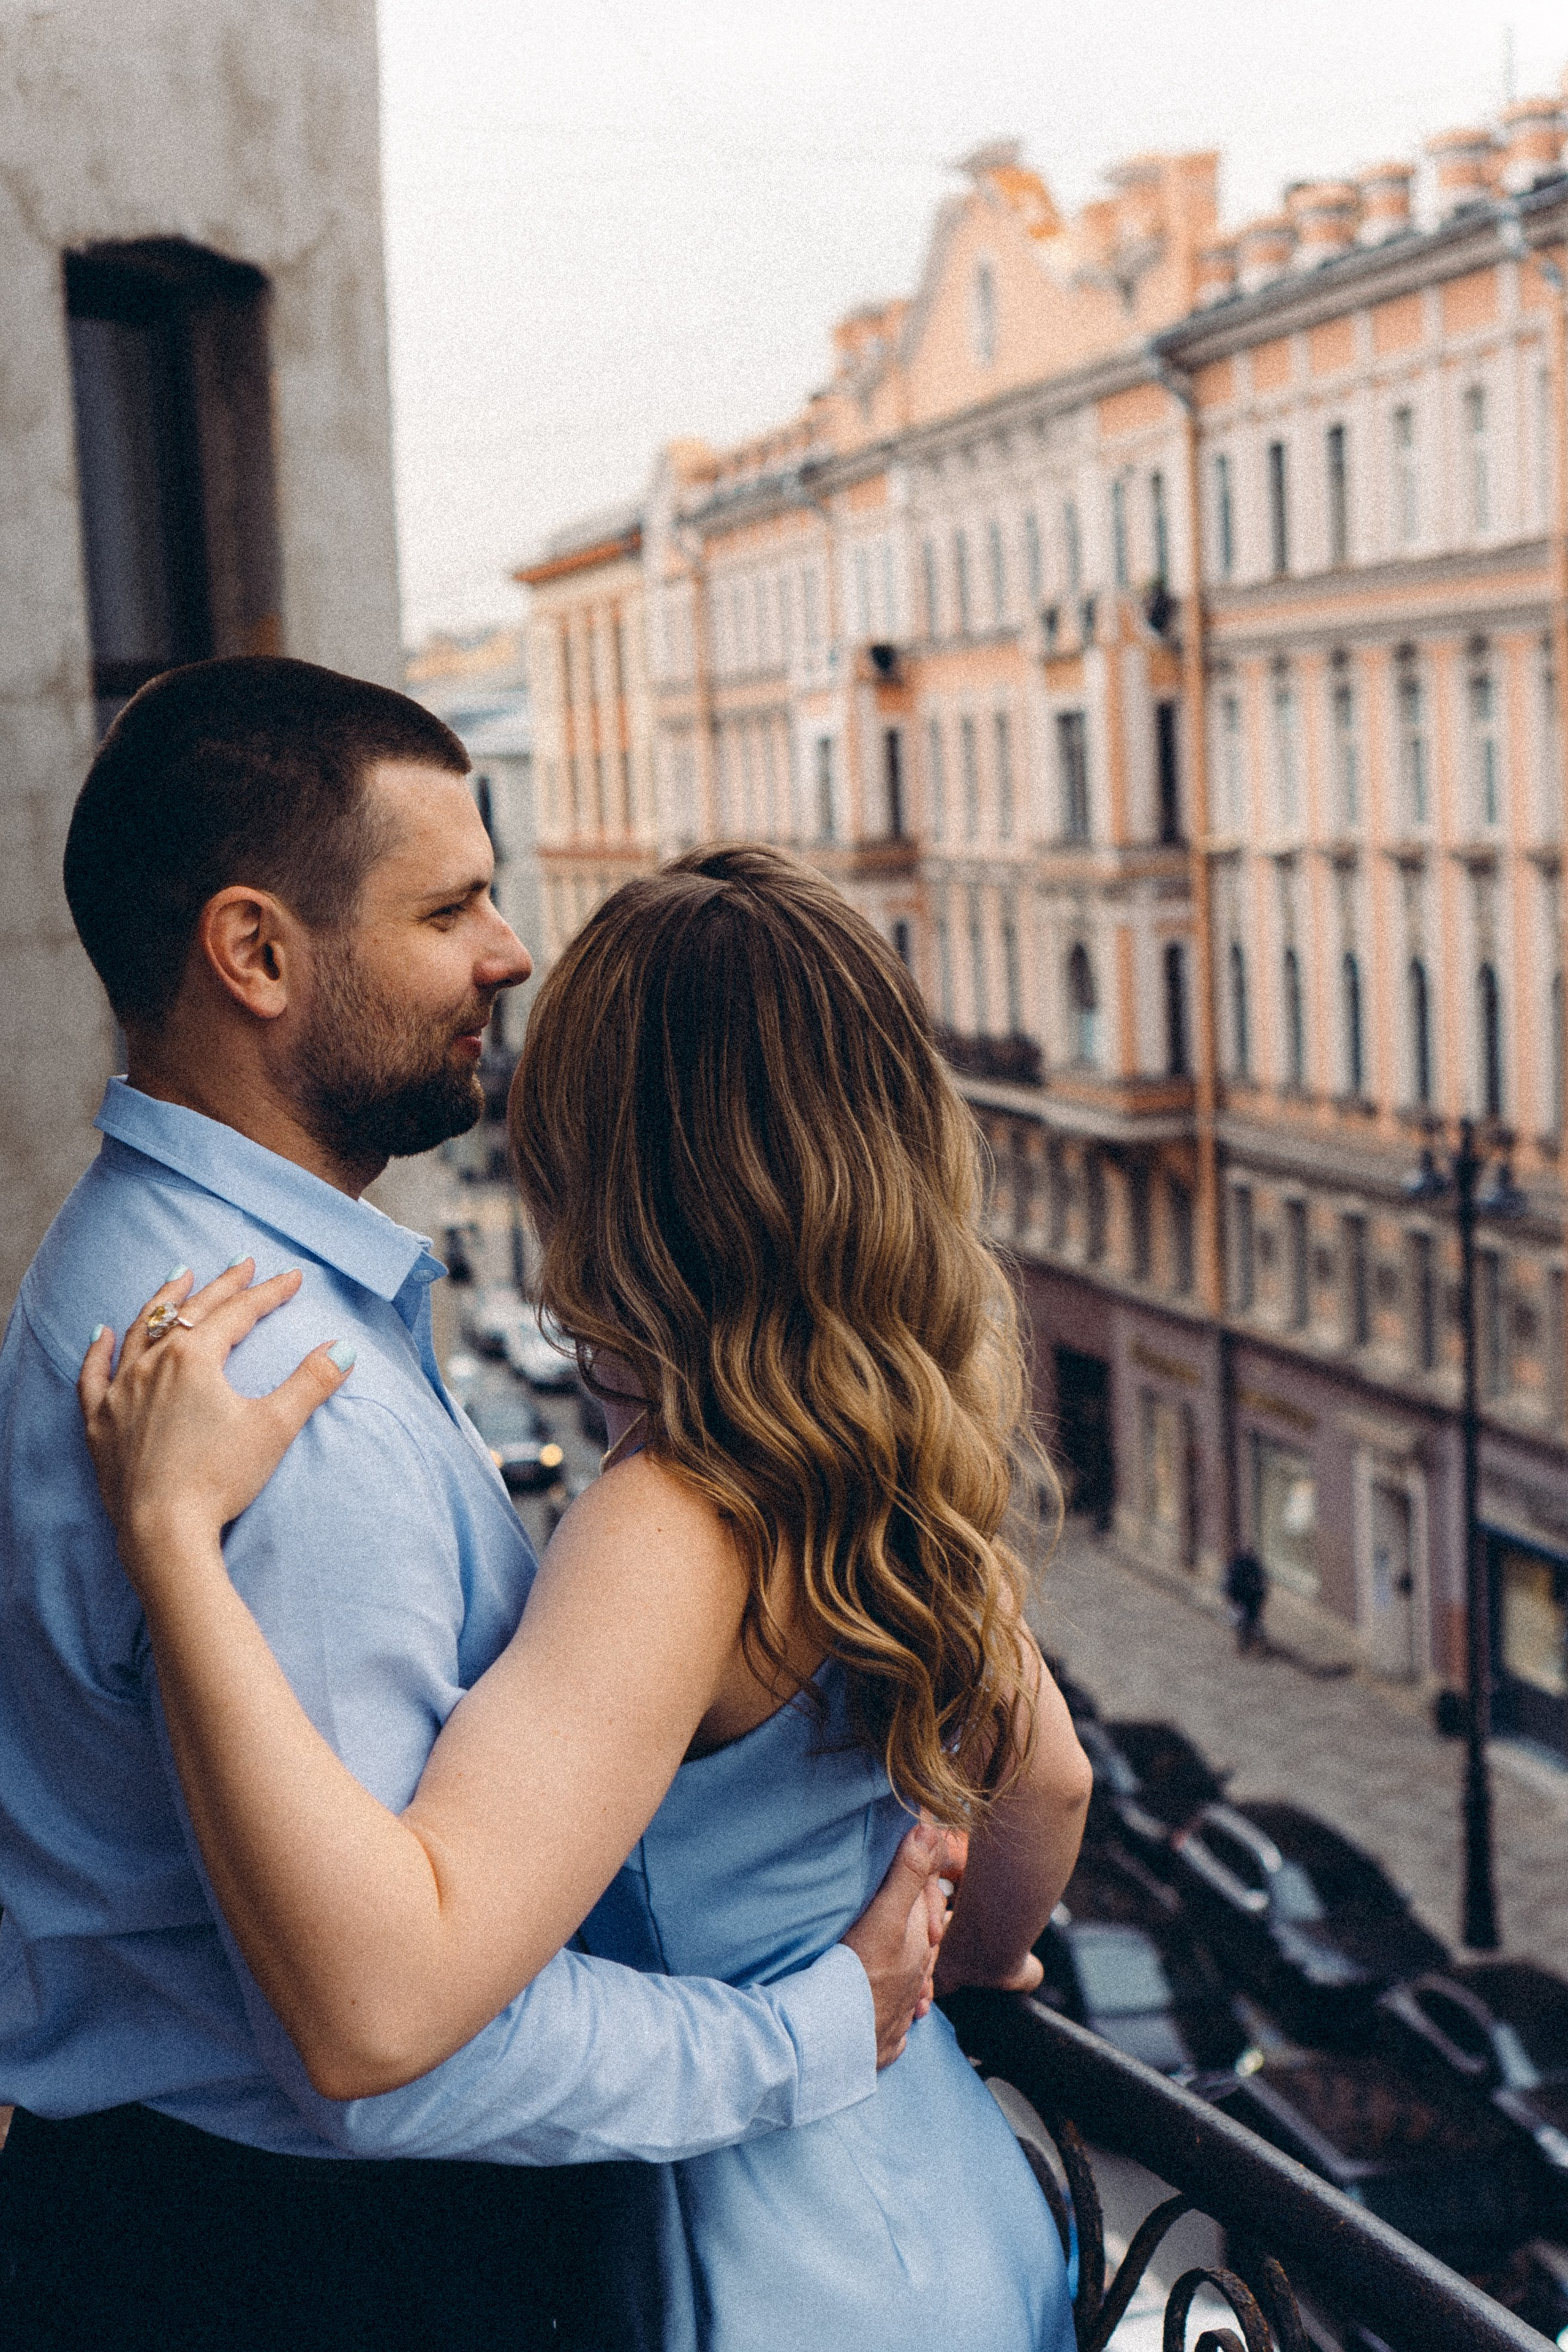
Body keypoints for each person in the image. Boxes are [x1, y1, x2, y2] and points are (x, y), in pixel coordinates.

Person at [0, 660, 954, 2352]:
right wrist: (817, 2032)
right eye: (451, 907)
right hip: (307, 2268)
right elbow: (384, 2037)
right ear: (258, 954)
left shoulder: (147, 1264)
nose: (509, 956)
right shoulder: (280, 1389)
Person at [1225, 1545, 1267, 1656]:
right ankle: (1248, 1646)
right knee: (1248, 1623)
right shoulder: (1243, 1566)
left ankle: (1249, 1645)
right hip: (1246, 1599)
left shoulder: (1238, 1566)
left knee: (1248, 1623)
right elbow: (1230, 1586)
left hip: (1248, 1599)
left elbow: (1229, 1586)